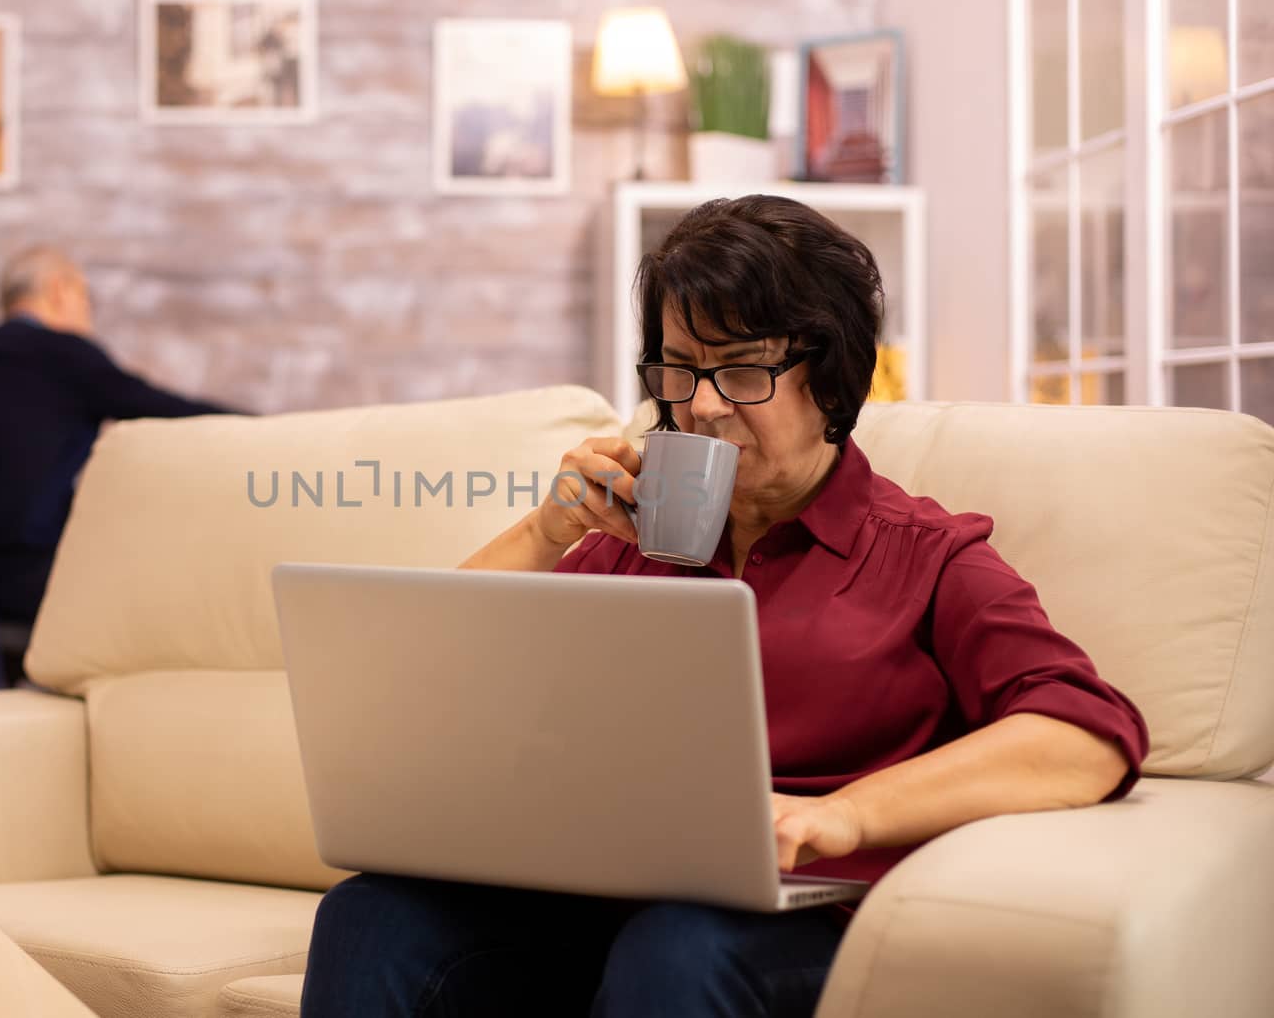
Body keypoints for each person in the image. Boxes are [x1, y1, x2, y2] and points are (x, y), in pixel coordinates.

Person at [300, 196, 1150, 1018]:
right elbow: (434, 669)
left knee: (676, 945)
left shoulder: (924, 555)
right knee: (372, 916)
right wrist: (545, 527)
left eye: (743, 368)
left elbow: (1083, 734)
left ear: (832, 377)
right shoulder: (630, 541)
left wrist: (844, 814)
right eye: (680, 366)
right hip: (600, 899)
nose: (702, 404)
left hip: (792, 927)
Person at [0, 246, 235, 647]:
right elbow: (159, 407)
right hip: (37, 576)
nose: (89, 312)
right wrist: (260, 424)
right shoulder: (66, 356)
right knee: (184, 585)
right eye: (86, 297)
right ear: (59, 290)